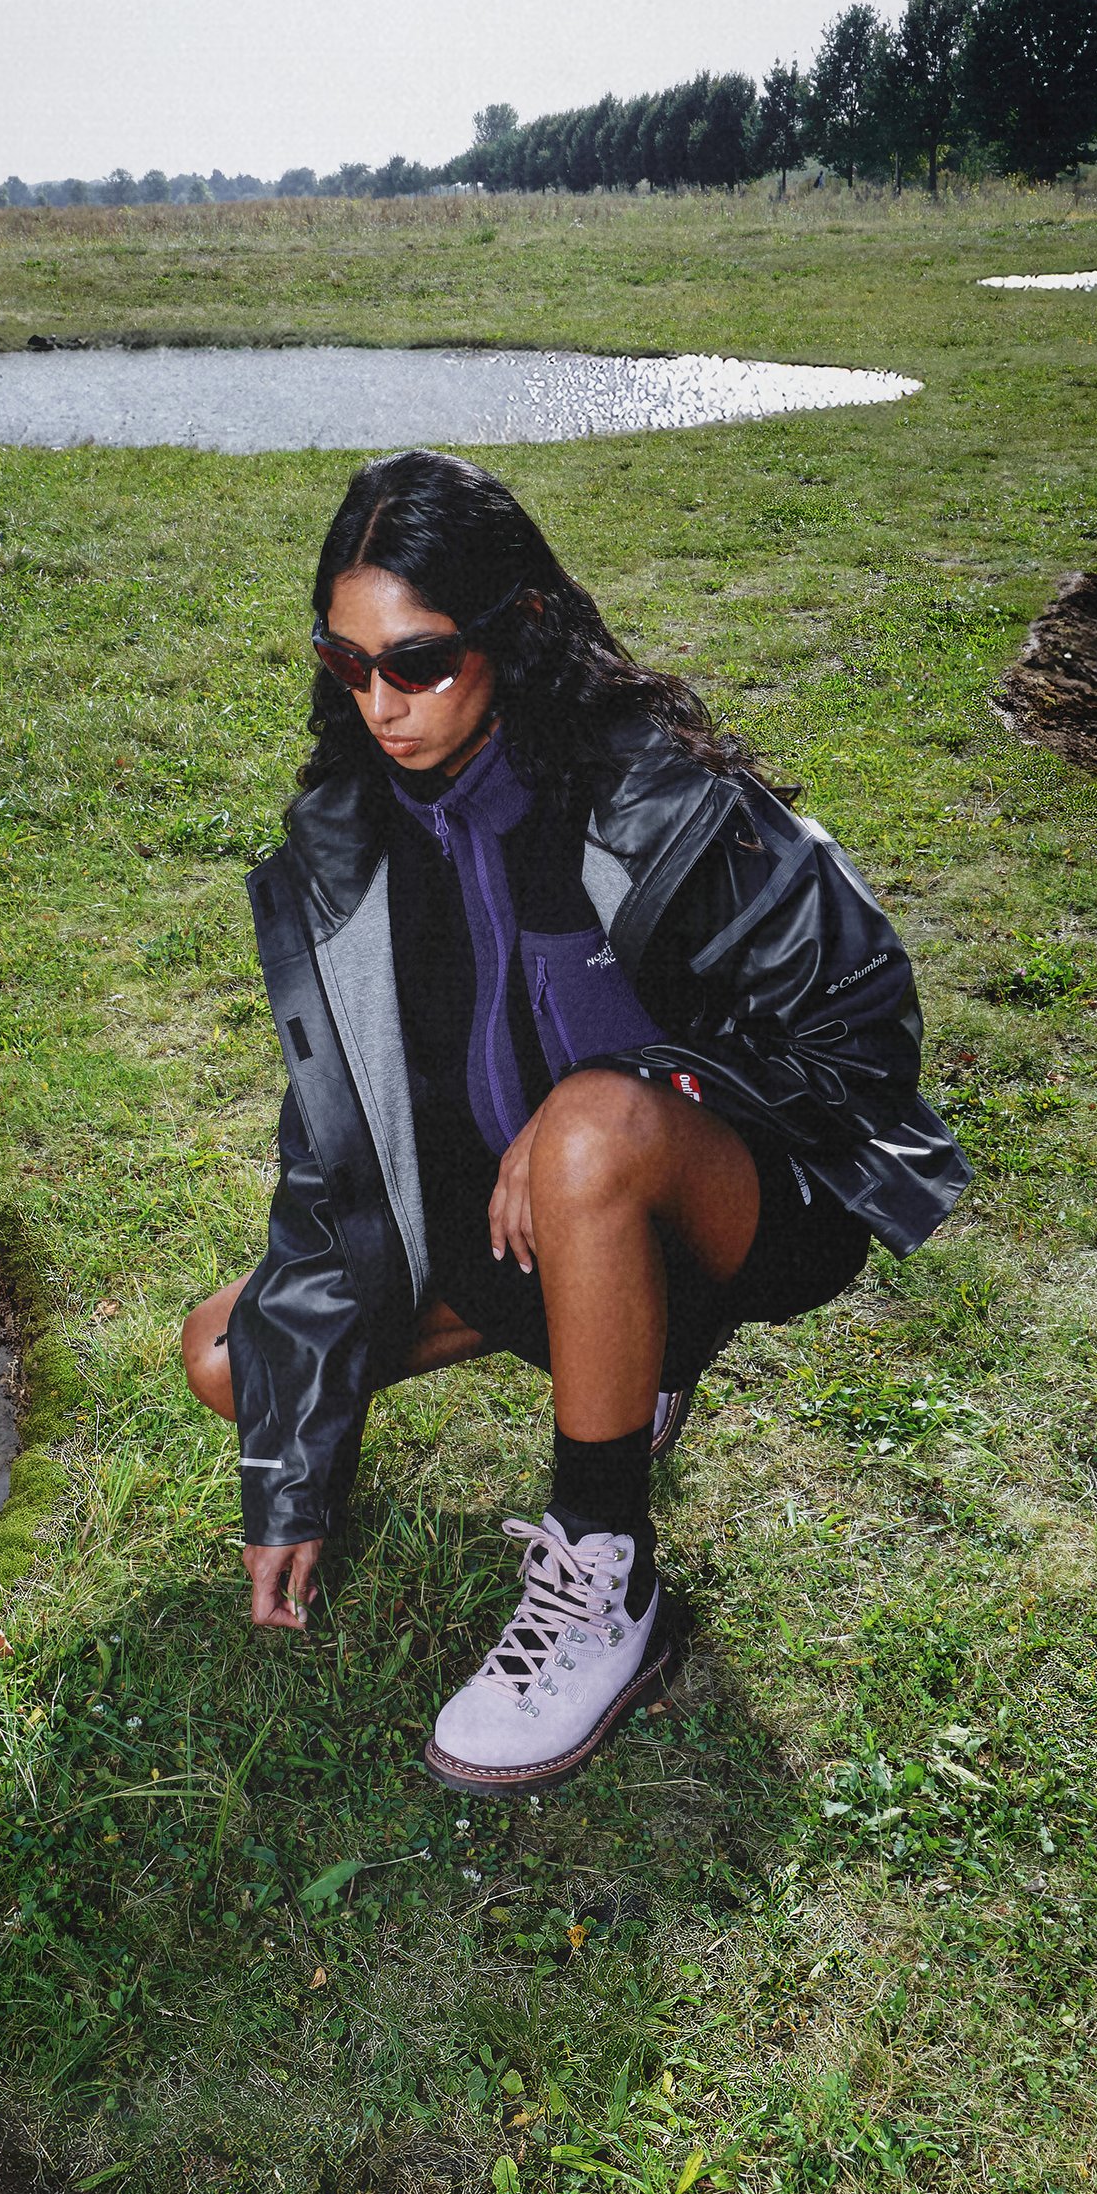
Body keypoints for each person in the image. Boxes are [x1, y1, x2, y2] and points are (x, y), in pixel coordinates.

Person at [181, 450, 968, 1799]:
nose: (381, 703)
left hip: (741, 1204)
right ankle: (626, 1351)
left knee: (593, 1132)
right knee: (224, 1355)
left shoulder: (653, 789)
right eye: (346, 661)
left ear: (516, 631)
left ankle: (606, 1578)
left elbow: (862, 1018)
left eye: (418, 661)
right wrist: (292, 1483)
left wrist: (646, 1091)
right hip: (530, 1237)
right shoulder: (350, 844)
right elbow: (333, 1153)